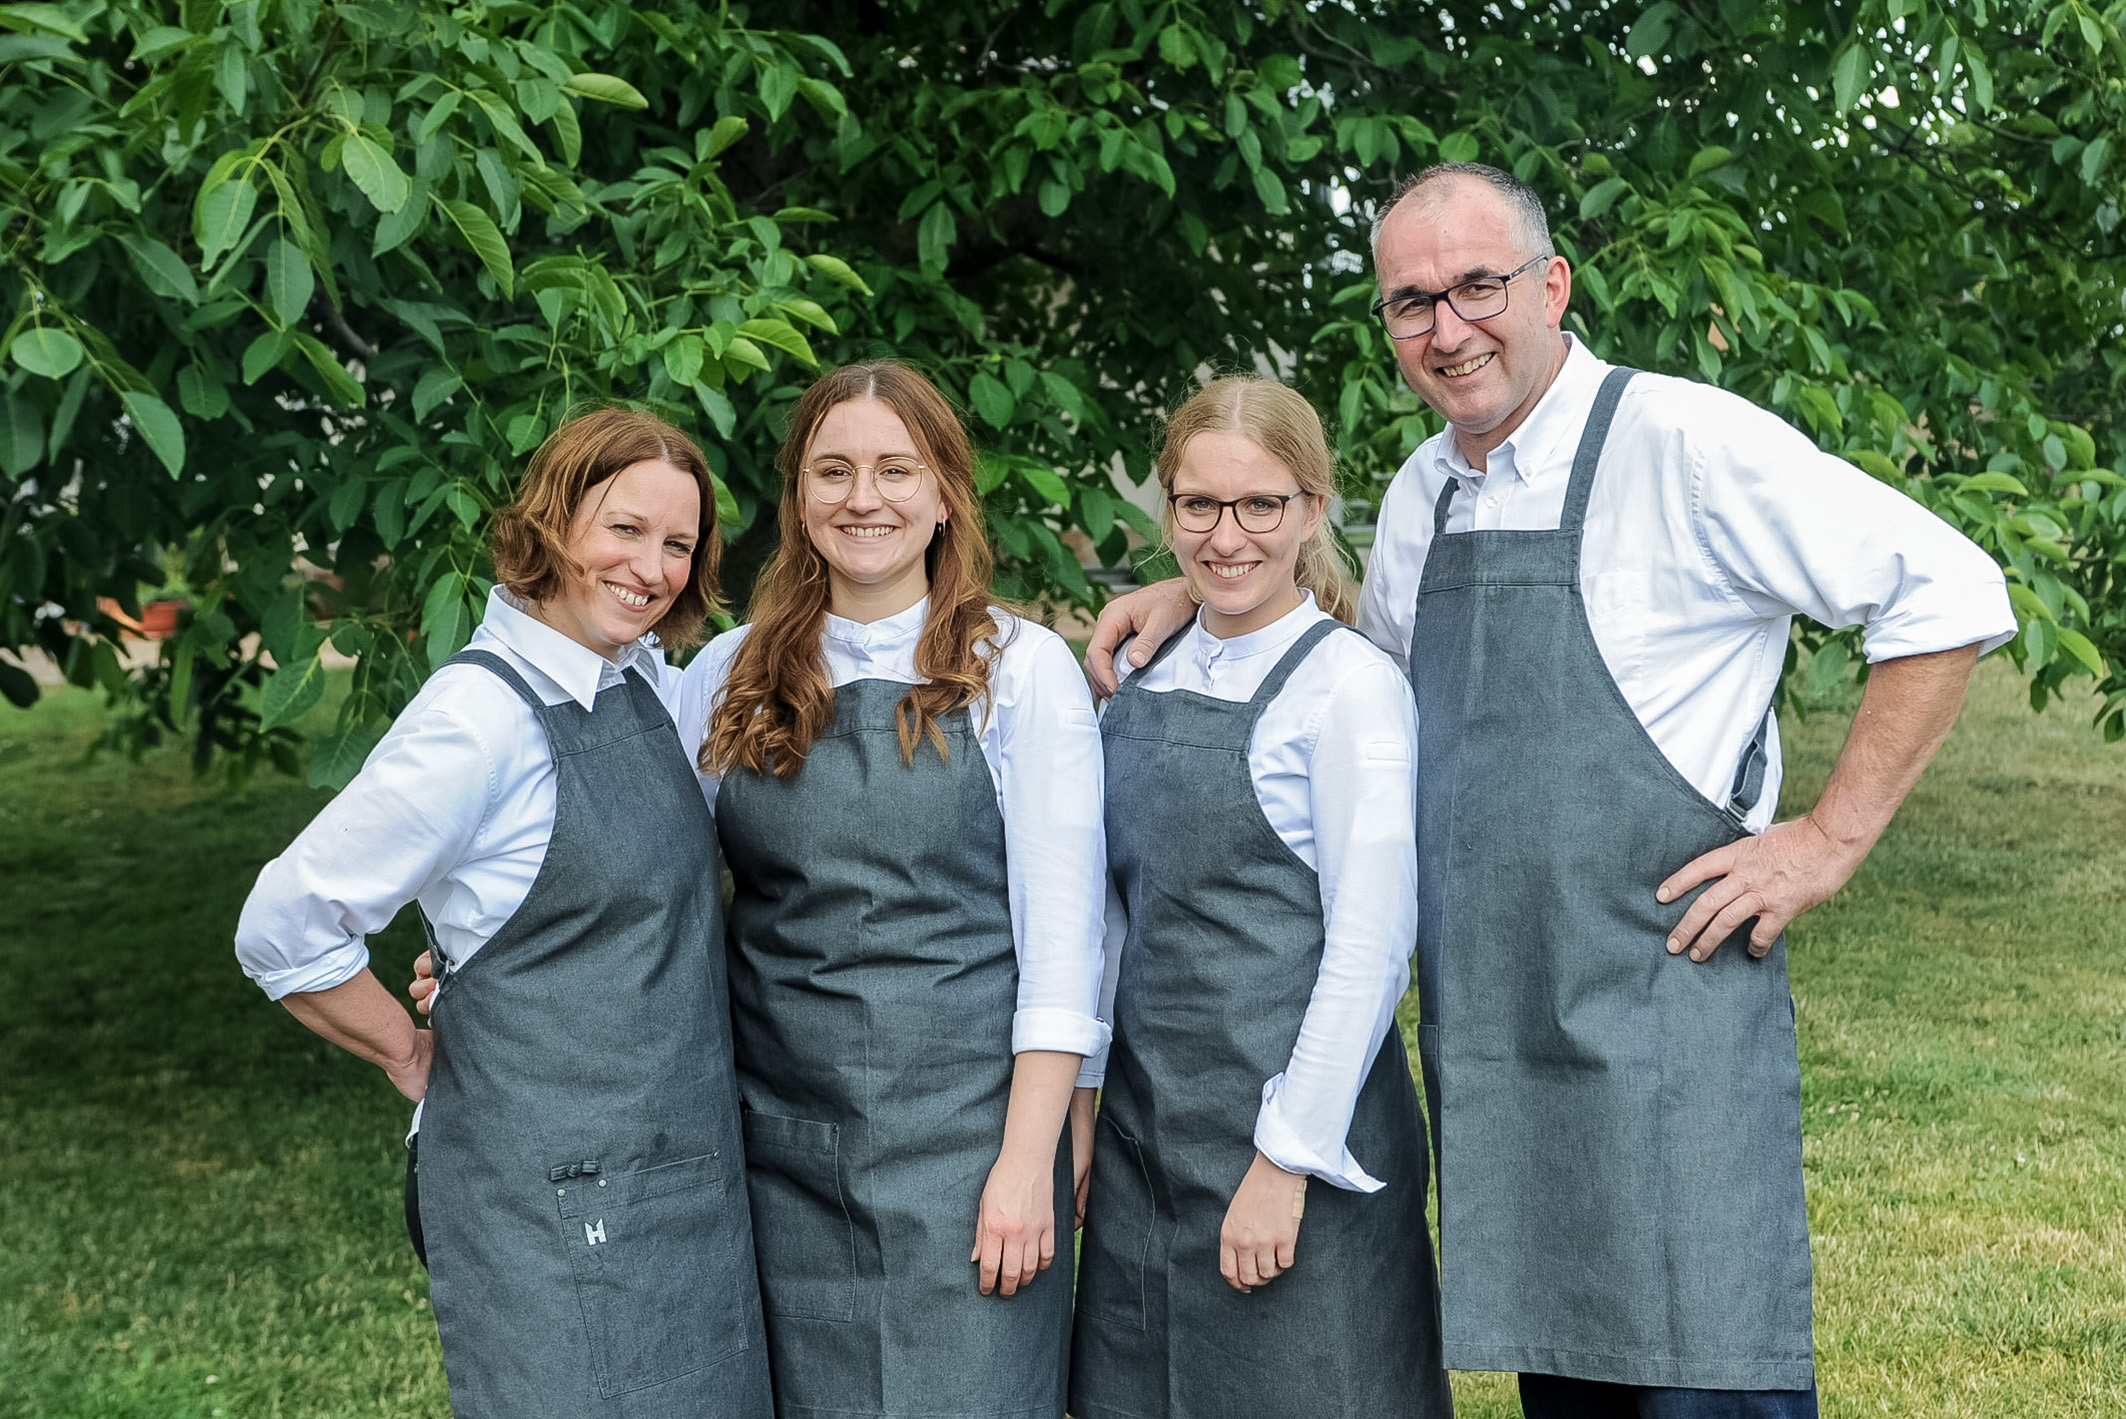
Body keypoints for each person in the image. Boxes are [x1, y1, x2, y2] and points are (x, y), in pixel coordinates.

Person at [1085, 165, 2017, 1418]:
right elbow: (1374, 677)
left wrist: (1824, 840)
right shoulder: (1424, 490)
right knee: (1565, 1391)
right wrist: (1199, 598)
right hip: (1496, 1039)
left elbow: (1945, 592)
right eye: (1411, 302)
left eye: (1477, 286)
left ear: (1550, 285)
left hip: (1661, 1021)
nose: (1447, 328)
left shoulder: (1682, 442)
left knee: (1701, 1385)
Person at [236, 408, 772, 1417]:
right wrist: (411, 1053)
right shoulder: (477, 717)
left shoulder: (639, 680)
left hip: (676, 1183)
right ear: (554, 519)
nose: (650, 567)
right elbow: (285, 923)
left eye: (677, 544)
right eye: (623, 528)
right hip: (551, 1212)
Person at [676, 360, 1108, 1419]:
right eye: (832, 470)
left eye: (893, 469)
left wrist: (1026, 1162)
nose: (861, 498)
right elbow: (652, 894)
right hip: (783, 1153)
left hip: (969, 1155)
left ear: (946, 490)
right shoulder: (723, 676)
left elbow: (1065, 943)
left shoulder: (1020, 667)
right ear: (796, 498)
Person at [1070, 378, 1452, 1419]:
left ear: (1310, 510)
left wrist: (1285, 1162)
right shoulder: (1140, 670)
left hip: (1292, 1143)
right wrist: (1084, 1103)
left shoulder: (1348, 688)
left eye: (1259, 506)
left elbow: (1370, 945)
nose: (1225, 536)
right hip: (1148, 1145)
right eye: (1198, 505)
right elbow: (1108, 918)